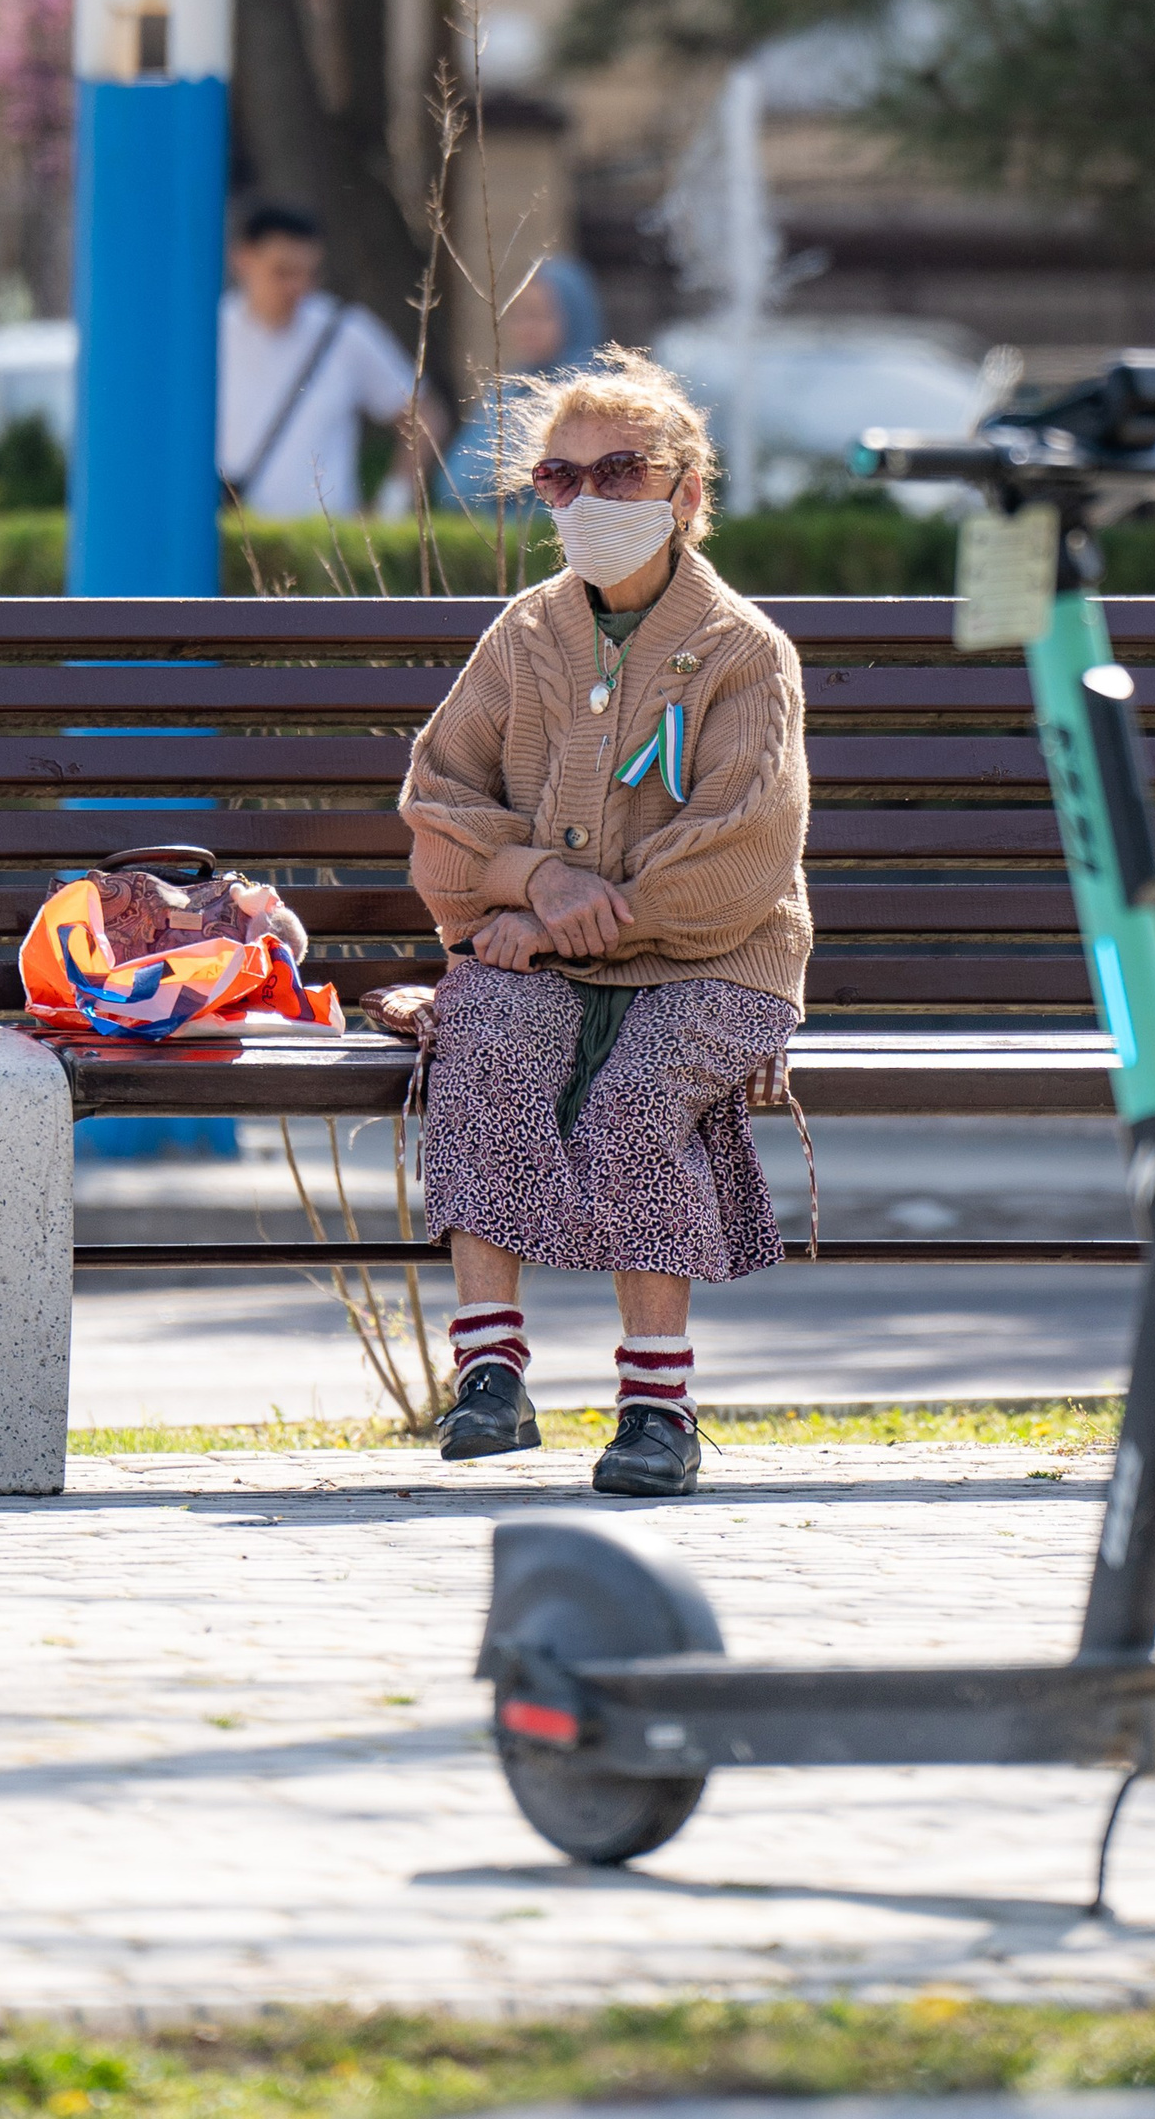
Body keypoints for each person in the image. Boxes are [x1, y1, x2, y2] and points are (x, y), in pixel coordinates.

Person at [398, 342, 810, 1498]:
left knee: (639, 1099)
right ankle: (488, 1373)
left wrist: (579, 921)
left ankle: (657, 1409)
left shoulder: (742, 654)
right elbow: (439, 801)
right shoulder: (524, 636)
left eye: (620, 471)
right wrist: (533, 882)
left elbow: (739, 852)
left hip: (714, 963)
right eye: (559, 480)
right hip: (530, 951)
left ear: (687, 493)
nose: (587, 500)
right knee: (486, 1048)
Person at [218, 201, 448, 519]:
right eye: (282, 272)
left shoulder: (342, 332)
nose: (296, 287)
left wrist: (390, 506)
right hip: (230, 531)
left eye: (308, 274)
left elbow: (424, 418)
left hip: (324, 540)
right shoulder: (209, 333)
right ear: (242, 259)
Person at [436, 255, 604, 515]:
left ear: (575, 316)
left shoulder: (598, 397)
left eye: (540, 316)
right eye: (519, 316)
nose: (527, 329)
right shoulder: (507, 392)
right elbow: (454, 486)